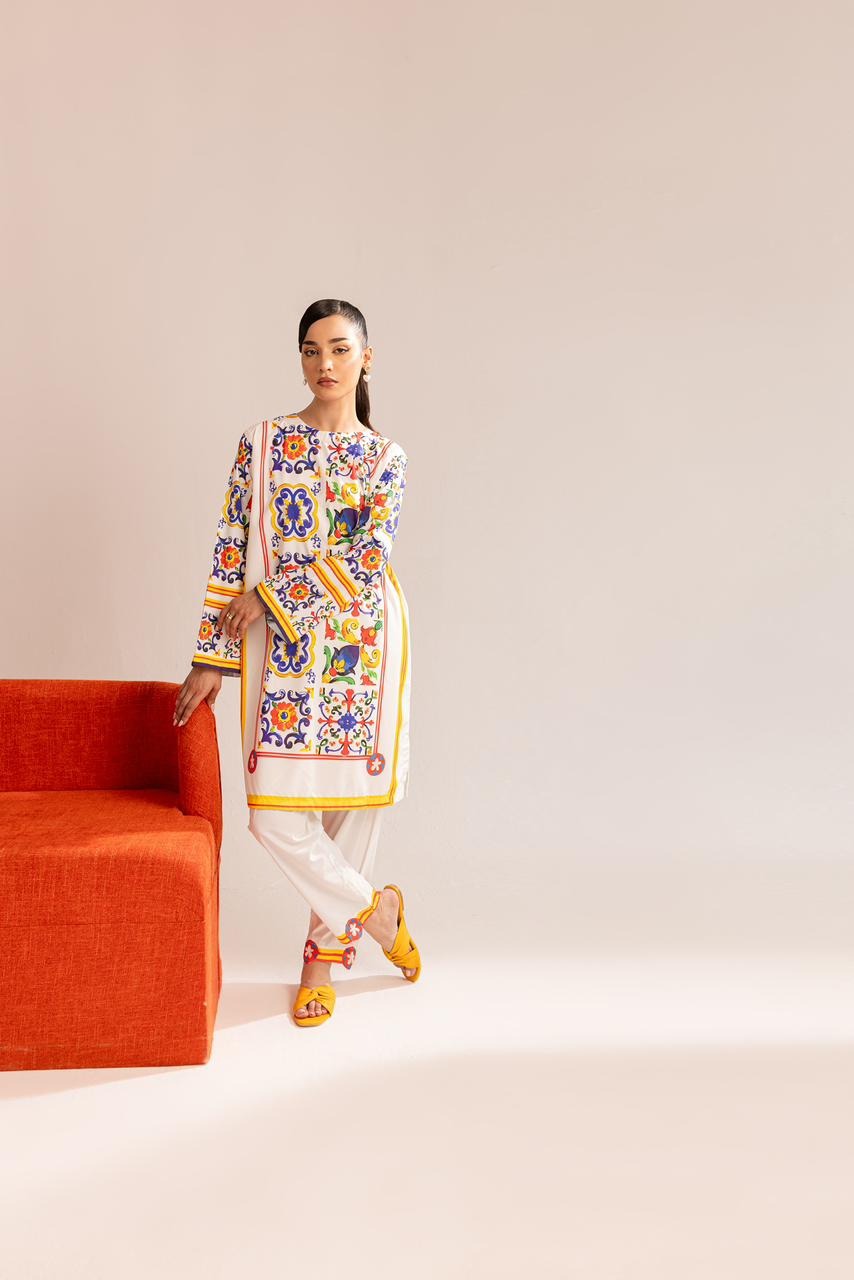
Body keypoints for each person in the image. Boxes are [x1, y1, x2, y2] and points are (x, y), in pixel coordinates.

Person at [173, 298, 420, 1028]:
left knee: (351, 811)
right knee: (274, 817)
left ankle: (319, 964)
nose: (325, 364)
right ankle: (378, 914)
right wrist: (212, 654)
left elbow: (367, 556)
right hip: (278, 655)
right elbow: (230, 543)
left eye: (340, 349)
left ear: (366, 358)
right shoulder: (262, 442)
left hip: (360, 646)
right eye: (312, 351)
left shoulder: (386, 459)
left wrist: (273, 594)